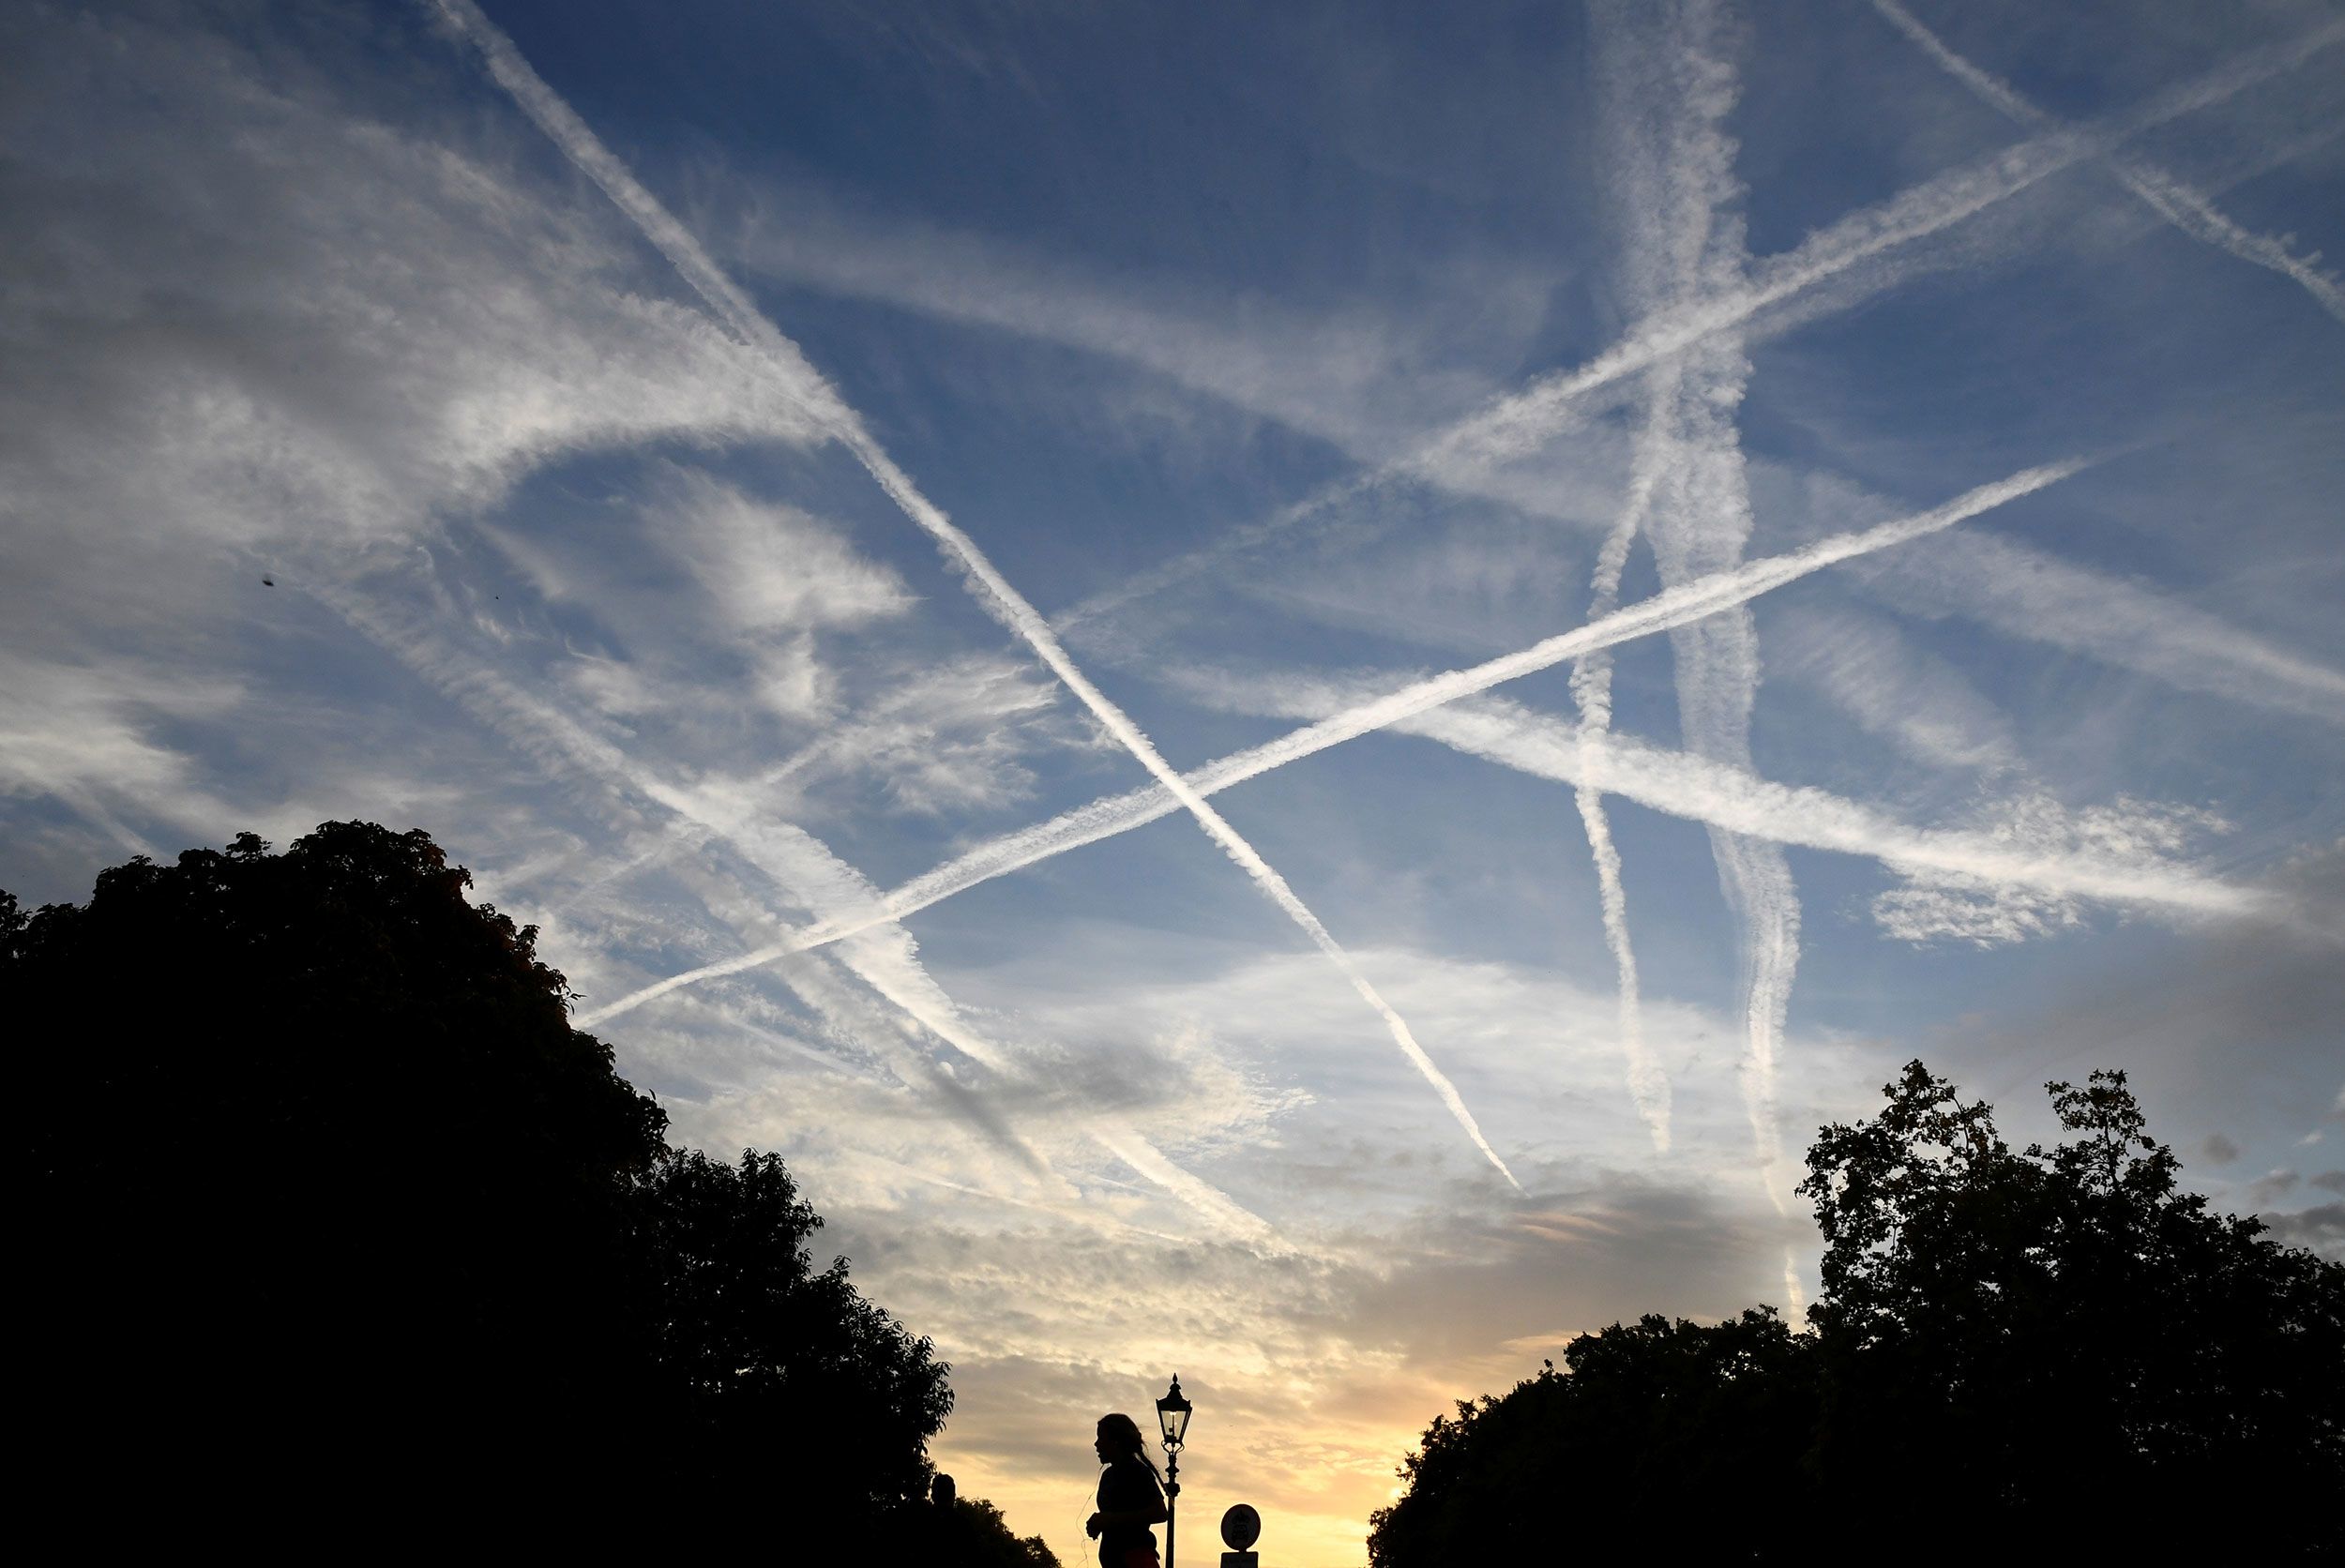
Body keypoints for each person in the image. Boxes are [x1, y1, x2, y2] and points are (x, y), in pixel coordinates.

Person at [1084, 1413, 1168, 1568]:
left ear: (1116, 1442)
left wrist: (1109, 1519)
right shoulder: (1109, 1475)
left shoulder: (1137, 1472)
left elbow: (1160, 1513)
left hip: (1136, 1560)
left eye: (1101, 1438)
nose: (1096, 1444)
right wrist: (1099, 1524)